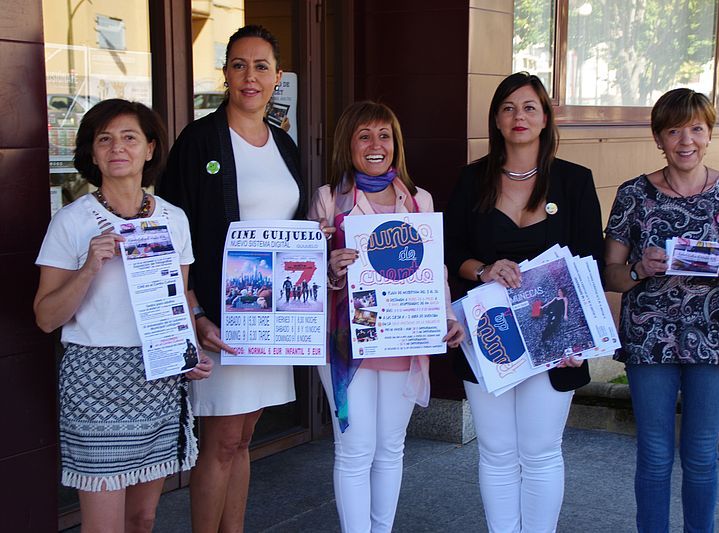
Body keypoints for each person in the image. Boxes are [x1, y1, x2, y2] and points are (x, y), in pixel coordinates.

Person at [33, 99, 213, 533]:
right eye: (105, 139)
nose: (118, 147)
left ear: (149, 149)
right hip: (96, 380)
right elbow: (45, 317)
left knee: (143, 516)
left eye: (130, 137)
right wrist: (90, 266)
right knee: (104, 525)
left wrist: (187, 353)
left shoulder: (174, 218)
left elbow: (180, 296)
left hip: (157, 377)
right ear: (92, 154)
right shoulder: (73, 222)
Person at [157, 25, 306, 532]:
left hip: (274, 321)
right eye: (239, 65)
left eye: (261, 66)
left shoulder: (284, 144)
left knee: (244, 440)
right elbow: (171, 232)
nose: (250, 77)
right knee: (220, 441)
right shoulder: (199, 141)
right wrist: (193, 309)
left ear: (277, 76)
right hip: (223, 318)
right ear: (225, 73)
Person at [444, 72, 604, 532]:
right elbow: (450, 251)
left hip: (554, 337)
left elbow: (588, 262)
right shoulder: (472, 180)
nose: (519, 116)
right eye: (509, 107)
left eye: (530, 107)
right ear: (496, 118)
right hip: (487, 332)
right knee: (496, 452)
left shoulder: (574, 182)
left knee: (540, 452)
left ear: (546, 118)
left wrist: (583, 338)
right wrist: (483, 268)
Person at [604, 88, 719, 533]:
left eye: (696, 128)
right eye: (674, 130)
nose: (685, 140)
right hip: (649, 337)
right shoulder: (633, 194)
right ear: (658, 138)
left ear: (710, 133)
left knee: (700, 454)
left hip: (714, 337)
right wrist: (639, 268)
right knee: (654, 455)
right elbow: (611, 274)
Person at [310, 101, 465, 533]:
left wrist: (446, 314)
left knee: (391, 447)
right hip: (347, 341)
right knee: (355, 448)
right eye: (364, 136)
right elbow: (302, 279)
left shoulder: (419, 202)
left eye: (384, 135)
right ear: (349, 144)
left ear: (396, 144)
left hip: (403, 338)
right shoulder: (328, 200)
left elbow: (435, 271)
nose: (376, 145)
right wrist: (330, 268)